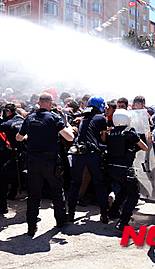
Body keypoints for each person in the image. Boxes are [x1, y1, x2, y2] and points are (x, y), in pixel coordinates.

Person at [16, 93, 75, 236]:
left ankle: (31, 226)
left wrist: (28, 136)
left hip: (33, 161)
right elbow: (70, 137)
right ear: (51, 103)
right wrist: (69, 128)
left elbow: (18, 137)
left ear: (38, 102)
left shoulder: (29, 118)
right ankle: (60, 221)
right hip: (50, 161)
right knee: (56, 190)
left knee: (34, 194)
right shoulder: (54, 118)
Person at [104, 109, 148, 232]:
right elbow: (144, 148)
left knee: (124, 188)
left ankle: (113, 211)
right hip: (124, 169)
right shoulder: (130, 132)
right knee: (134, 194)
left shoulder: (110, 133)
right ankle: (123, 222)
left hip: (112, 168)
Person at [67, 96, 109, 224]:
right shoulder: (101, 118)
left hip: (78, 152)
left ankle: (71, 214)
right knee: (99, 183)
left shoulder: (83, 117)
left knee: (75, 183)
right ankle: (104, 215)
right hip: (92, 153)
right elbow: (103, 139)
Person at [0, 103, 26, 213]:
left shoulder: (7, 124)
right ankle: (12, 194)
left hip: (18, 154)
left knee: (3, 177)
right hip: (29, 155)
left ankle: (2, 205)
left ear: (8, 112)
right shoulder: (23, 120)